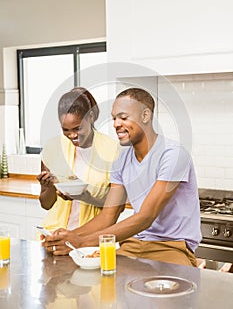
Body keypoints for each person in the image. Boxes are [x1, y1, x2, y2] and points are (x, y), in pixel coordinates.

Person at [42, 87, 202, 267]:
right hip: (133, 243)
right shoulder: (122, 159)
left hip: (172, 247)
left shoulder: (173, 155)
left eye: (123, 117)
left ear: (145, 116)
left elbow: (145, 217)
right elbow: (108, 216)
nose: (116, 124)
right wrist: (67, 238)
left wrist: (83, 242)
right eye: (114, 118)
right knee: (102, 283)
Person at [37, 87, 119, 233]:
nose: (72, 135)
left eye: (77, 128)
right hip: (55, 233)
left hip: (92, 235)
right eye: (66, 130)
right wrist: (48, 187)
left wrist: (86, 198)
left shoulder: (112, 150)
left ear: (91, 117)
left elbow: (118, 206)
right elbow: (46, 205)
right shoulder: (52, 149)